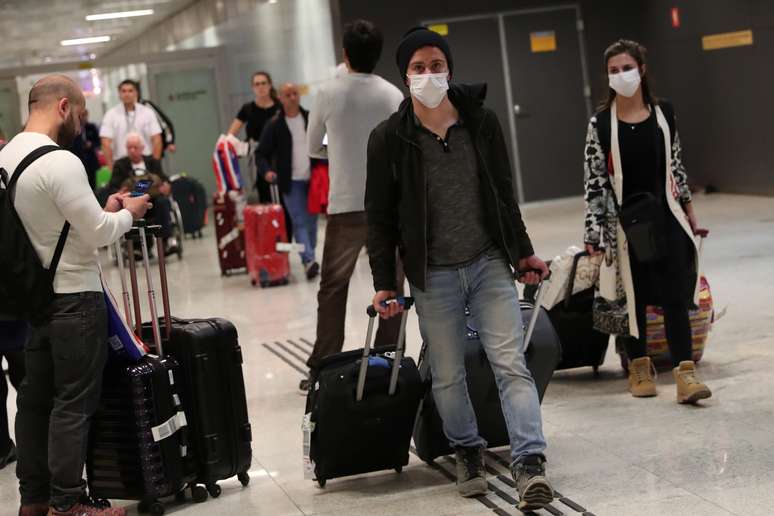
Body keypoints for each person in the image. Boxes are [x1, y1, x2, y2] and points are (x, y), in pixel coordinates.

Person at [365, 28, 553, 510]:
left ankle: (530, 461)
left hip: (489, 261)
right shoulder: (389, 139)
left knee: (511, 363)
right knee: (447, 374)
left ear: (450, 69)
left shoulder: (481, 123)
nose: (429, 75)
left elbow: (504, 193)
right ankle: (467, 450)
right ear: (404, 77)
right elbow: (380, 218)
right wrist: (385, 282)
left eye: (436, 65)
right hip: (434, 275)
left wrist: (524, 252)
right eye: (418, 68)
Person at [1, 74, 149, 516]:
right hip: (76, 299)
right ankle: (68, 505)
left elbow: (47, 225)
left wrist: (103, 211)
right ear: (64, 107)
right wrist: (130, 213)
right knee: (73, 403)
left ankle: (35, 501)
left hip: (37, 301)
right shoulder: (61, 161)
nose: (81, 124)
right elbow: (101, 236)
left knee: (33, 402)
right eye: (81, 114)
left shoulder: (5, 158)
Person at [583, 39, 710, 403]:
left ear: (641, 69)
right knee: (632, 298)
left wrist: (688, 209)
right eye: (614, 70)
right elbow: (595, 181)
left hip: (666, 216)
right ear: (607, 76)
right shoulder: (600, 125)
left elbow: (676, 165)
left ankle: (686, 373)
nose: (621, 75)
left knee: (675, 294)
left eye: (627, 67)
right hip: (625, 224)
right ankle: (639, 366)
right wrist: (594, 232)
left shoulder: (664, 113)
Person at [303, 19, 405, 392]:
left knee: (333, 286)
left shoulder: (328, 93)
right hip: (388, 206)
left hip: (346, 203)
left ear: (345, 55)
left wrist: (341, 146)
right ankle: (387, 356)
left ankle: (322, 364)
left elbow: (314, 147)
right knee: (392, 285)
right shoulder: (393, 95)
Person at [256, 83, 319, 278]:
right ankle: (308, 260)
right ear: (280, 99)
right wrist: (266, 171)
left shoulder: (311, 118)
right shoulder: (275, 125)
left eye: (294, 94)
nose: (292, 97)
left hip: (313, 179)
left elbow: (326, 141)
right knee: (299, 222)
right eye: (287, 95)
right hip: (291, 183)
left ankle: (310, 255)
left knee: (312, 223)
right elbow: (260, 153)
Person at [109, 133, 178, 256]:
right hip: (132, 202)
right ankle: (136, 247)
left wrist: (167, 186)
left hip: (153, 202)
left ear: (142, 148)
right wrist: (121, 191)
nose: (132, 151)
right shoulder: (120, 165)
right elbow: (113, 186)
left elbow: (163, 178)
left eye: (135, 147)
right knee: (129, 208)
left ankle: (167, 241)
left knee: (163, 202)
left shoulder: (152, 162)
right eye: (129, 148)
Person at [228, 71, 281, 205]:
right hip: (259, 156)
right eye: (257, 84)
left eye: (263, 83)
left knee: (283, 193)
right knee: (265, 195)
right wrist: (239, 147)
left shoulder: (280, 106)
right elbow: (230, 134)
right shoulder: (248, 109)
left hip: (280, 153)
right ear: (253, 87)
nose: (261, 87)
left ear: (270, 85)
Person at [99, 79, 162, 169]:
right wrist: (111, 168)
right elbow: (105, 143)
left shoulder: (147, 113)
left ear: (136, 93)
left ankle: (143, 183)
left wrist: (155, 164)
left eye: (130, 91)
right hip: (122, 164)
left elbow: (157, 139)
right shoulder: (111, 115)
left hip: (146, 162)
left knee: (144, 183)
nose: (127, 94)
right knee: (124, 184)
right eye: (123, 91)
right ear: (119, 94)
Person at [0, 319, 26, 471]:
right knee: (30, 389)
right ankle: (38, 450)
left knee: (29, 388)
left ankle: (3, 449)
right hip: (17, 316)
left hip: (17, 319)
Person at [70, 109, 100, 189]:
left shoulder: (91, 127)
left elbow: (98, 142)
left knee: (93, 184)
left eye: (85, 116)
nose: (83, 118)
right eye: (81, 116)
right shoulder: (73, 129)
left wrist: (91, 144)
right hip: (79, 159)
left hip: (91, 160)